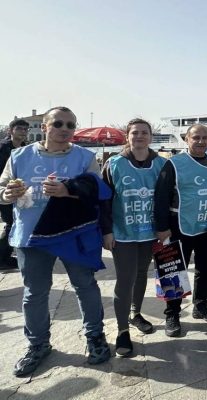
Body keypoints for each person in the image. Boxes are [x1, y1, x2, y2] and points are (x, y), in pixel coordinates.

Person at [1, 106, 111, 376]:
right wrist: (8, 194)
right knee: (34, 293)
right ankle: (38, 344)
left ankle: (95, 337)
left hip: (73, 233)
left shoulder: (85, 157)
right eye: (58, 124)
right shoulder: (19, 156)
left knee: (85, 286)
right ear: (45, 127)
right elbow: (2, 189)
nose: (65, 129)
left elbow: (97, 191)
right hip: (31, 235)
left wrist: (67, 190)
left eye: (70, 125)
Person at [102, 118, 166, 356]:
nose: (139, 136)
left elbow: (167, 198)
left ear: (151, 136)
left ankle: (135, 313)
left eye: (144, 132)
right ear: (127, 136)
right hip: (123, 232)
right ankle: (122, 331)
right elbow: (104, 200)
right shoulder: (114, 163)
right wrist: (106, 231)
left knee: (141, 273)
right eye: (135, 133)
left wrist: (165, 228)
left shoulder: (161, 164)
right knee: (125, 278)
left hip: (150, 232)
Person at [154, 124, 207, 337]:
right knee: (173, 270)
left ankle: (201, 304)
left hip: (206, 225)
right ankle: (172, 313)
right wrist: (162, 228)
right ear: (186, 139)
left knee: (204, 267)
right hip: (178, 225)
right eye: (196, 137)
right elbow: (161, 196)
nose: (201, 141)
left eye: (205, 137)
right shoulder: (174, 163)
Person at [0, 119, 29, 270]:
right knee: (11, 223)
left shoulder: (25, 148)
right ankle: (1, 259)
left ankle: (6, 256)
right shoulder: (3, 147)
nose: (23, 131)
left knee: (15, 222)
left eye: (25, 129)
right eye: (19, 128)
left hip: (20, 191)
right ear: (11, 130)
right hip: (5, 191)